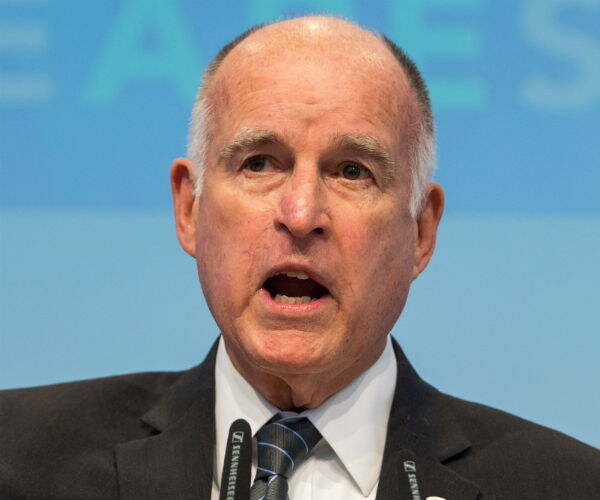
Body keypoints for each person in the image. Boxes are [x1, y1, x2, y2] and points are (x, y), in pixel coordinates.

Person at [1, 16, 598, 500]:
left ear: (420, 231)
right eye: (259, 162)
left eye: (352, 171)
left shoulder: (567, 486)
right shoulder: (18, 459)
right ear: (190, 207)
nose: (302, 211)